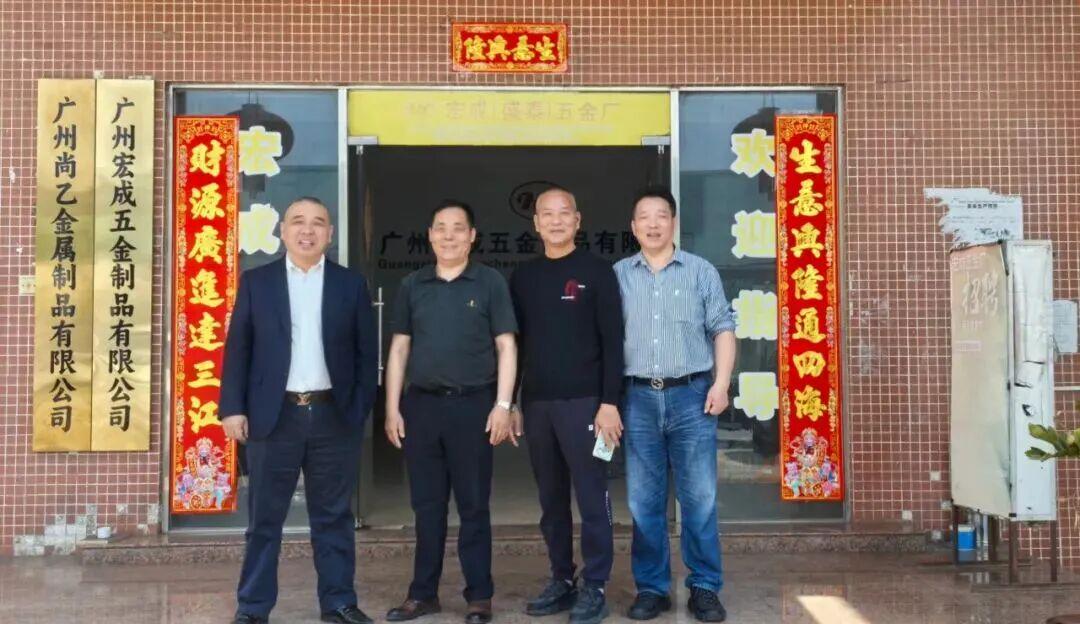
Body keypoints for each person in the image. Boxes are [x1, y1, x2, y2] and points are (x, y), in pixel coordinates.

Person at [219, 196, 378, 624]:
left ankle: (339, 602)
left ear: (330, 234)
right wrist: (232, 408)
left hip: (333, 416)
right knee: (264, 520)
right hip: (274, 417)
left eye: (318, 223)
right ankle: (253, 608)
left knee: (334, 517)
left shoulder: (350, 285)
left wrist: (358, 408)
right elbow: (238, 349)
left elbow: (367, 354)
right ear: (283, 231)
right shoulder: (258, 282)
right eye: (298, 222)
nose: (308, 230)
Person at [383, 200, 518, 624]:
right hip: (421, 407)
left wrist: (503, 405)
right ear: (430, 235)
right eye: (441, 227)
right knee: (427, 506)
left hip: (473, 406)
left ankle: (479, 596)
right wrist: (392, 408)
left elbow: (506, 346)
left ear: (472, 236)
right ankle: (423, 594)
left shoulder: (489, 282)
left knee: (474, 505)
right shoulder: (413, 284)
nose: (449, 235)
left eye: (458, 228)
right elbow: (399, 349)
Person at [613, 186, 736, 623]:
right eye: (644, 217)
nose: (653, 224)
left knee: (699, 499)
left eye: (661, 215)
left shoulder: (700, 271)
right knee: (644, 501)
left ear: (674, 222)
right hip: (637, 398)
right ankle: (652, 588)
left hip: (692, 396)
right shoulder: (618, 276)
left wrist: (721, 384)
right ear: (633, 227)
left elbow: (722, 328)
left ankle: (704, 587)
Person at [508, 186, 624, 624]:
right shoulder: (524, 276)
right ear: (536, 223)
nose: (555, 221)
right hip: (538, 404)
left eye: (564, 213)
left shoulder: (598, 271)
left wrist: (609, 402)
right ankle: (561, 578)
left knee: (592, 497)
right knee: (551, 499)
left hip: (587, 405)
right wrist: (512, 401)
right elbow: (516, 346)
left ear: (578, 220)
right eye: (547, 214)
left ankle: (595, 585)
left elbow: (613, 343)